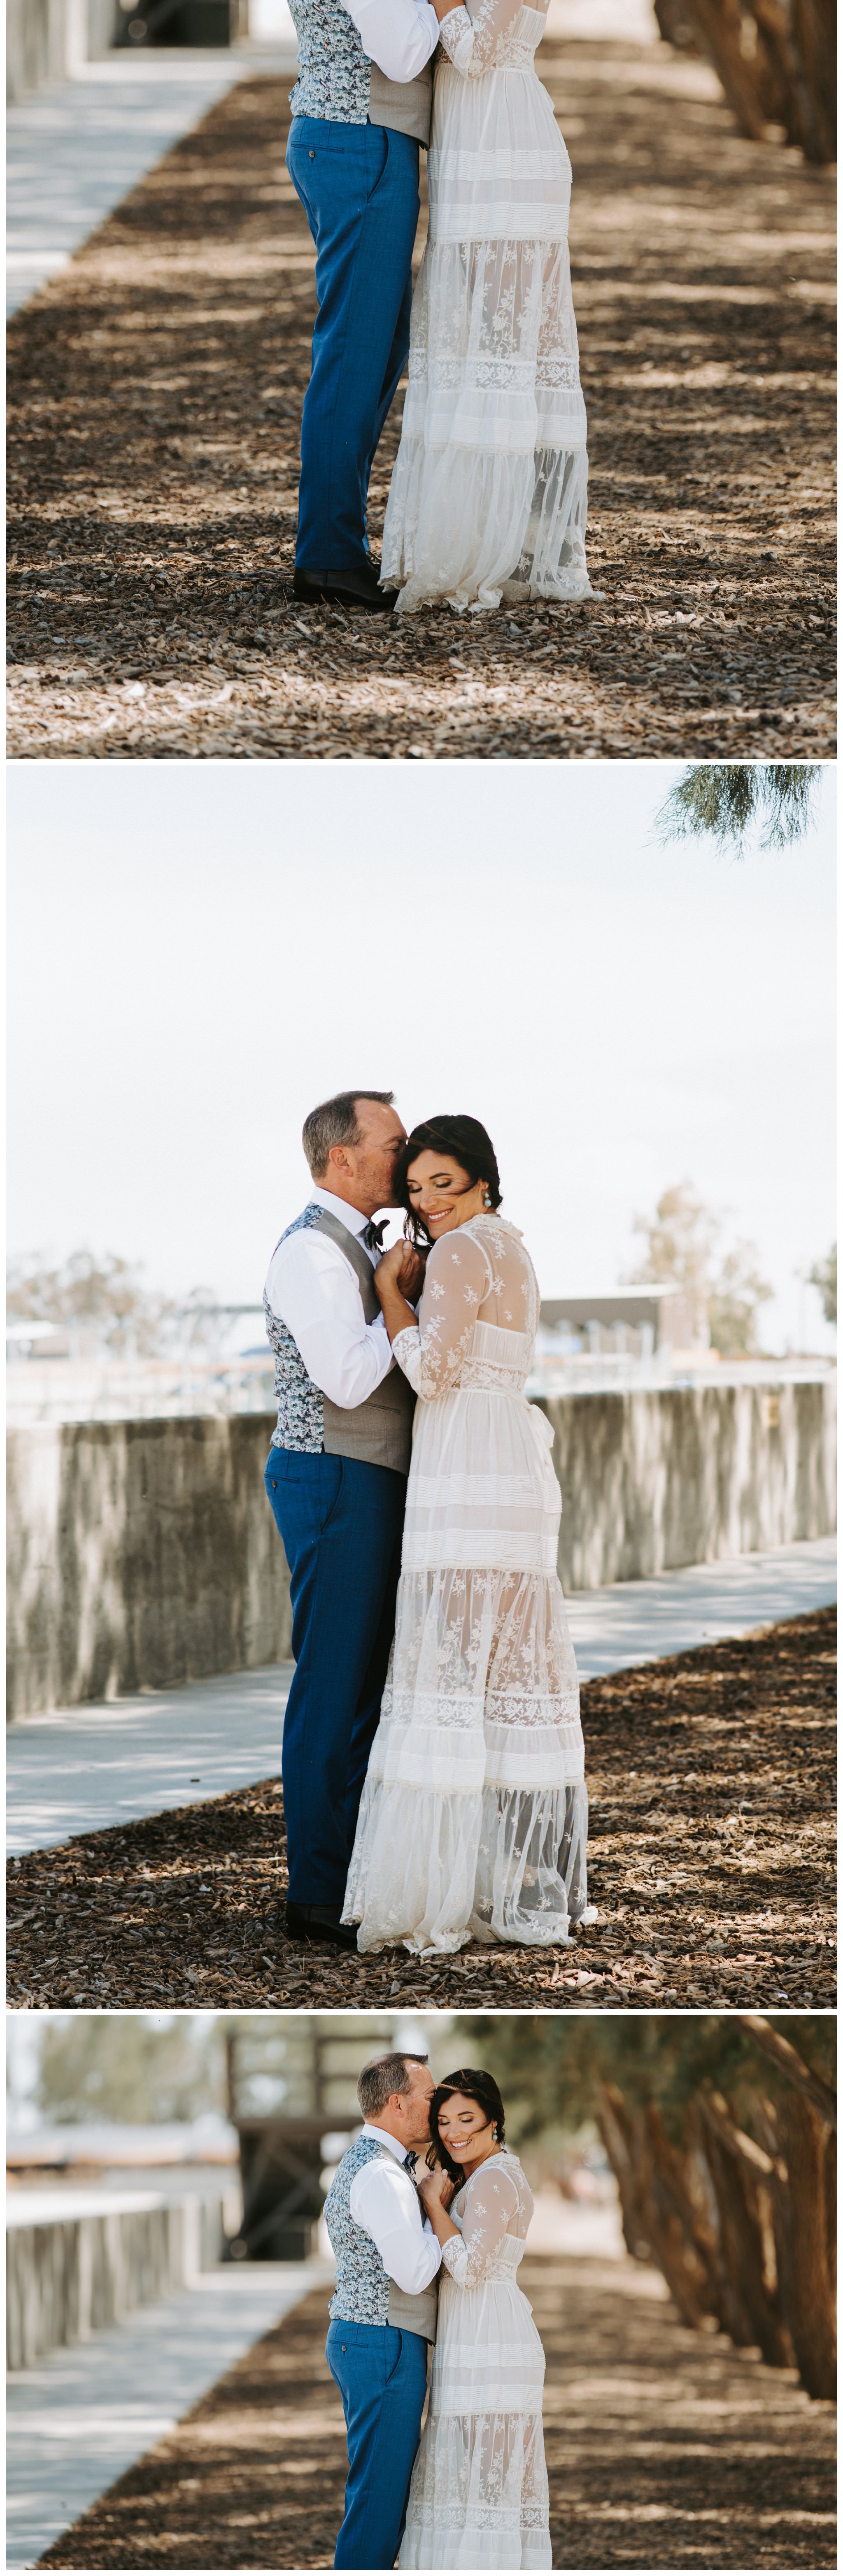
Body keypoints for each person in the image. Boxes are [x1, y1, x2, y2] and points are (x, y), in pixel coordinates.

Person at [343, 1115, 591, 1955]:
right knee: (501, 1678)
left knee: (449, 1675)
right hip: (511, 1469)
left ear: (482, 1179)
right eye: (415, 1190)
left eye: (442, 1185)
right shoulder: (513, 1247)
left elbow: (428, 1370)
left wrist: (388, 1293)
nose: (427, 1203)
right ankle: (509, 1882)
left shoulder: (455, 1252)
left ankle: (443, 1891)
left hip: (463, 1473)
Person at [379, 0, 591, 612]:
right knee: (489, 348)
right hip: (481, 155)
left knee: (498, 352)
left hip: (508, 157)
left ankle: (501, 548)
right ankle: (511, 541)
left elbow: (473, 50)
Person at [263, 1089, 424, 1952]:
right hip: (331, 1477)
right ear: (342, 1159)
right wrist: (394, 1293)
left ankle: (350, 1875)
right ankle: (316, 1894)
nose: (406, 1157)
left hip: (365, 1477)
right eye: (394, 1144)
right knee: (331, 1688)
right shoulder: (311, 1256)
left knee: (364, 1690)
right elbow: (351, 1380)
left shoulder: (356, 1250)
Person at [281, 0, 442, 614]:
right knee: (354, 351)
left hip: (347, 143)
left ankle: (335, 544)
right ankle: (328, 554)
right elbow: (408, 55)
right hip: (361, 148)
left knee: (371, 351)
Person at [402, 2068, 552, 2570]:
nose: (452, 2131)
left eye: (466, 2117)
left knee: (485, 2489)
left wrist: (431, 2204)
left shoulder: (492, 2177)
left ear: (493, 2119)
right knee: (469, 2484)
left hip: (491, 2336)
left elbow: (467, 2268)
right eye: (443, 2120)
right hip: (473, 2335)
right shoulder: (485, 2173)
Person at [324, 2051, 445, 2569]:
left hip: (373, 2338)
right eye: (429, 2095)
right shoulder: (383, 2176)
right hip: (384, 2341)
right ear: (397, 2103)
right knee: (377, 2504)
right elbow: (416, 2272)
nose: (438, 2105)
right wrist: (439, 2210)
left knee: (379, 2495)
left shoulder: (374, 2165)